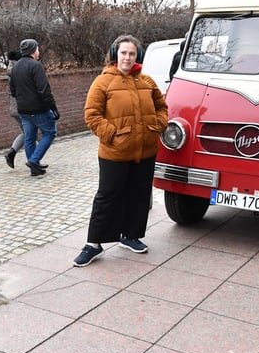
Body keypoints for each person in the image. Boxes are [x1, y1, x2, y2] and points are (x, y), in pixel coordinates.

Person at [73, 35, 168, 267]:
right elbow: (92, 115)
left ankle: (131, 236)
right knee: (107, 196)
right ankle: (93, 244)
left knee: (139, 194)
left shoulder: (146, 81)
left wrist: (158, 125)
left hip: (145, 151)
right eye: (123, 53)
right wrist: (113, 136)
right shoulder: (102, 82)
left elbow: (161, 106)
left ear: (138, 56)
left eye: (132, 53)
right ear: (115, 54)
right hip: (115, 153)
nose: (127, 57)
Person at [9, 39, 58, 176]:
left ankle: (33, 168)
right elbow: (44, 90)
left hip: (23, 110)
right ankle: (34, 161)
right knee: (50, 133)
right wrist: (53, 107)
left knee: (29, 138)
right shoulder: (36, 66)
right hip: (39, 109)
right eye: (37, 49)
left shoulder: (15, 68)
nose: (38, 51)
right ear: (33, 50)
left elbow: (13, 91)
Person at [4, 50, 25, 168]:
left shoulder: (12, 70)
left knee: (27, 133)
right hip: (21, 107)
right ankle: (33, 159)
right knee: (29, 133)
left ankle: (12, 154)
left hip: (15, 108)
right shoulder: (17, 72)